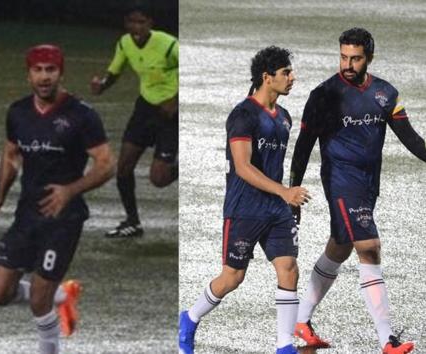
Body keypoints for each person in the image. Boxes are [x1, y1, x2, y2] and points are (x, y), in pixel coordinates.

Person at [290, 27, 424, 354]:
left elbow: (410, 138)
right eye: (343, 57)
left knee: (340, 246)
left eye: (356, 58)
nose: (348, 64)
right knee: (369, 246)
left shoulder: (385, 94)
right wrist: (292, 189)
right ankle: (386, 340)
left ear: (369, 57)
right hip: (339, 179)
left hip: (367, 184)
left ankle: (301, 320)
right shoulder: (323, 95)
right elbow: (304, 145)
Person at [0, 44, 115, 354]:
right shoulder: (17, 112)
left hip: (64, 219)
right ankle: (63, 296)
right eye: (38, 70)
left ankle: (51, 324)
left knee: (38, 301)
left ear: (60, 72)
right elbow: (11, 154)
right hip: (26, 214)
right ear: (28, 74)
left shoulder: (81, 115)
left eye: (50, 70)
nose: (44, 77)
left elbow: (106, 163)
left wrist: (69, 190)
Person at [179, 46, 309, 354]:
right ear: (267, 78)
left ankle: (284, 346)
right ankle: (189, 318)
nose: (292, 78)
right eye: (286, 73)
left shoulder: (285, 118)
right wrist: (284, 191)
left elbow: (273, 164)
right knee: (232, 277)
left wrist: (285, 199)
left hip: (276, 209)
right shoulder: (244, 115)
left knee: (289, 267)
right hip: (244, 208)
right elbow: (243, 167)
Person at [91, 4, 178, 238]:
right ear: (126, 23)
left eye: (142, 22)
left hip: (171, 115)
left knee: (159, 179)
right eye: (132, 21)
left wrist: (177, 100)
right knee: (124, 167)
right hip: (145, 110)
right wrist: (102, 85)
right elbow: (115, 71)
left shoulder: (169, 44)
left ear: (150, 23)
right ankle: (132, 222)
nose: (136, 27)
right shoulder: (124, 43)